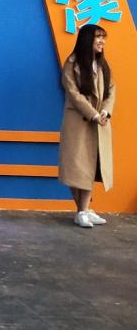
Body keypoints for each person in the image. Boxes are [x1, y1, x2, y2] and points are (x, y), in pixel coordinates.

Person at [58, 23, 115, 227]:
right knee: (76, 168)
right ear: (86, 39)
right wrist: (93, 114)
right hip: (78, 123)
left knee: (90, 167)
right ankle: (82, 211)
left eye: (103, 37)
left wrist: (105, 111)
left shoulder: (102, 64)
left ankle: (84, 210)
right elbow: (74, 94)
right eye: (98, 37)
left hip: (99, 123)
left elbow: (111, 90)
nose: (102, 41)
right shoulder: (72, 63)